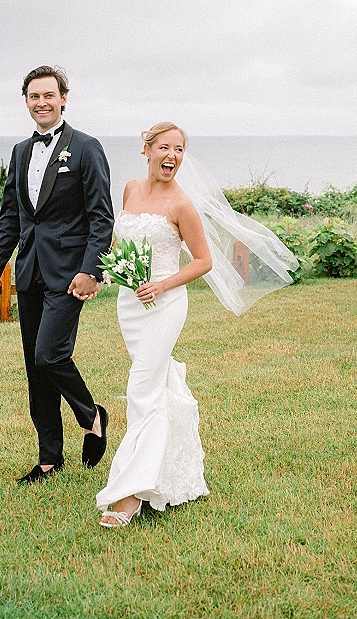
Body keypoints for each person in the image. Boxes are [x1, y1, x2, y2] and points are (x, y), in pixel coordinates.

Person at [96, 122, 298, 527]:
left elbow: (203, 261)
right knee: (154, 384)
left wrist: (162, 284)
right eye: (165, 148)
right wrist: (106, 273)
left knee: (141, 389)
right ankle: (169, 474)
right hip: (129, 304)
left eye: (180, 149)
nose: (172, 156)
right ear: (147, 150)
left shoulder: (182, 205)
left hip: (165, 303)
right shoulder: (131, 190)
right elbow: (121, 244)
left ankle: (130, 494)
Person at [0, 65, 114, 485]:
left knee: (49, 355)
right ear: (26, 101)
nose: (42, 102)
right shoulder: (20, 151)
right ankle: (49, 459)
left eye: (49, 95)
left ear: (63, 99)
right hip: (29, 271)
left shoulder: (87, 149)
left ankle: (92, 415)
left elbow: (101, 219)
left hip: (69, 274)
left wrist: (91, 270)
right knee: (34, 368)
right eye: (34, 96)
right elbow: (12, 217)